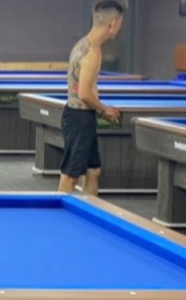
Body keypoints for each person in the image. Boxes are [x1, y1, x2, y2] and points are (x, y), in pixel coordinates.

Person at [59, 0, 125, 196]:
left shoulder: (83, 44)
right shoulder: (92, 53)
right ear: (113, 23)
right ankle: (57, 210)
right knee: (70, 176)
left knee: (93, 171)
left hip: (81, 116)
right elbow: (84, 94)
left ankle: (91, 209)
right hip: (79, 119)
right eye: (120, 24)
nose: (119, 29)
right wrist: (105, 109)